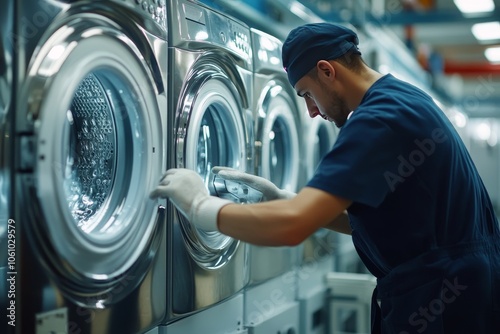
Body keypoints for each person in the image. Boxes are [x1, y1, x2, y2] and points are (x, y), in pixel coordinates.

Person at [150, 22, 500, 333]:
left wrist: (199, 206)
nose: (311, 111)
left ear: (326, 70)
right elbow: (387, 221)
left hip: (441, 300)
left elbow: (292, 227)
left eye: (306, 94)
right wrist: (281, 200)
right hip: (459, 288)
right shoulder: (400, 99)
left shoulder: (377, 119)